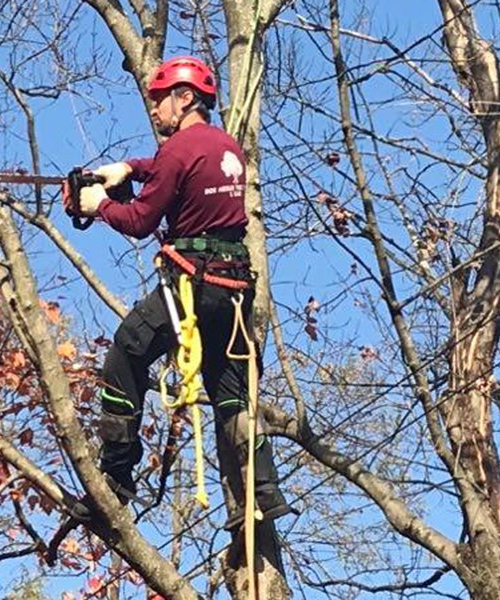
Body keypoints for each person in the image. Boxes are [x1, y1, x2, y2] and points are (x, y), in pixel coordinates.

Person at [73, 56, 291, 531]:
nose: (154, 109)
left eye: (159, 99)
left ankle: (117, 477)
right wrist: (128, 167)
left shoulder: (178, 149)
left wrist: (100, 203)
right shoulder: (225, 146)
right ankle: (265, 490)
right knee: (231, 393)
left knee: (126, 351)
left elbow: (140, 221)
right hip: (233, 293)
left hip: (191, 286)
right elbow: (176, 170)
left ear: (185, 97)